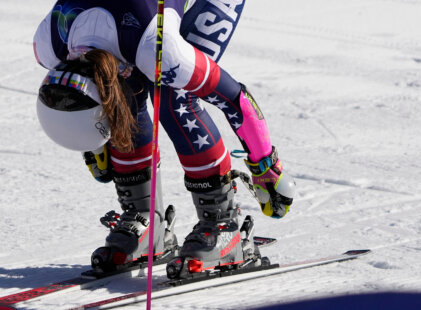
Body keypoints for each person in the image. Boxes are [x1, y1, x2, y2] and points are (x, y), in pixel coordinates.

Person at [33, 0, 296, 279]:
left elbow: (234, 98)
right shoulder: (49, 45)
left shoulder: (160, 51)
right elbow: (90, 93)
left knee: (176, 97)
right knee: (126, 92)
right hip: (135, 24)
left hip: (147, 32)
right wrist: (95, 143)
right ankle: (145, 217)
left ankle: (222, 224)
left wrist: (267, 166)